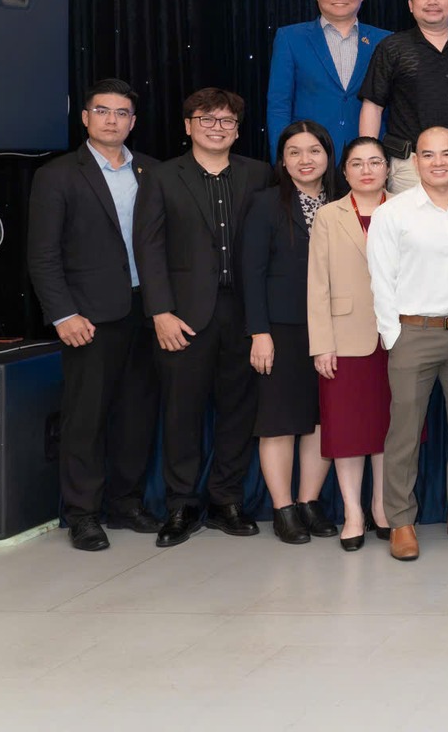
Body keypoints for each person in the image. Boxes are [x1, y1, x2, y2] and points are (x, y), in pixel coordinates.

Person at [26, 79, 161, 551]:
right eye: (102, 111)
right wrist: (63, 313)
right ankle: (83, 513)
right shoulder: (58, 175)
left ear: (133, 122)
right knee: (86, 418)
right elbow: (43, 254)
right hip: (88, 316)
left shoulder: (151, 171)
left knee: (137, 413)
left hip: (147, 312)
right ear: (85, 117)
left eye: (121, 113)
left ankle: (126, 503)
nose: (111, 120)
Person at [136, 87, 273, 547]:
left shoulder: (259, 174)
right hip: (183, 315)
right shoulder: (161, 176)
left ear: (238, 129)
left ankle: (226, 500)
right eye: (207, 119)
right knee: (181, 413)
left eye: (227, 120)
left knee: (239, 411)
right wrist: (160, 311)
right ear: (188, 126)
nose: (217, 128)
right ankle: (180, 505)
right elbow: (148, 248)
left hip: (245, 311)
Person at [366, 126, 448, 561]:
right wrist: (393, 336)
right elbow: (381, 279)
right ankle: (401, 520)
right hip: (413, 334)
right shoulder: (393, 213)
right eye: (429, 154)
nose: (439, 162)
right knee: (403, 433)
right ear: (415, 160)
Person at [239, 121, 341, 545]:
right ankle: (283, 508)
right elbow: (251, 272)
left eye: (314, 150)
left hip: (334, 329)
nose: (305, 160)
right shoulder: (265, 203)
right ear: (282, 160)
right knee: (279, 421)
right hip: (282, 328)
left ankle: (308, 502)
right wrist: (259, 332)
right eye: (294, 152)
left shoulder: (343, 201)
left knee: (322, 419)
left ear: (328, 156)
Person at [307, 136, 394, 552]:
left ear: (388, 168)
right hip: (343, 339)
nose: (366, 170)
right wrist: (321, 343)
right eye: (357, 163)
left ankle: (381, 507)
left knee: (389, 428)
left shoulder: (404, 210)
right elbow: (317, 283)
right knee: (346, 430)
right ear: (343, 171)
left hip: (397, 335)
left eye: (375, 161)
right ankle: (353, 513)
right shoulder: (329, 215)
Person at [359, 0, 448, 193]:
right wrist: (368, 160)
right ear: (411, 5)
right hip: (409, 169)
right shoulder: (392, 48)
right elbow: (373, 106)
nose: (432, 1)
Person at [266, 0, 389, 156]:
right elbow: (279, 105)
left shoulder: (384, 41)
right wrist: (281, 158)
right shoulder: (290, 38)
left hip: (368, 158)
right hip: (309, 158)